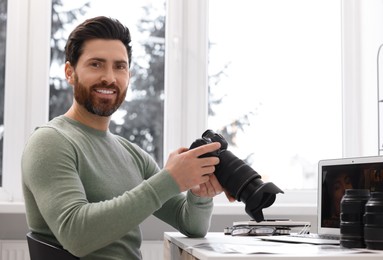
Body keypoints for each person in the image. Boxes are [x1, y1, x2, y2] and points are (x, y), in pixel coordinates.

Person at [21, 16, 232, 259]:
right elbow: (76, 235)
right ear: (70, 72)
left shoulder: (130, 153)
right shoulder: (50, 142)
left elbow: (191, 225)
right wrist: (170, 179)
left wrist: (198, 195)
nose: (109, 77)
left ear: (128, 75)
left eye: (119, 66)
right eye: (96, 64)